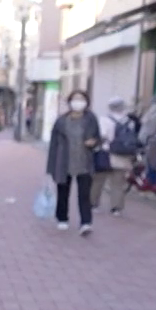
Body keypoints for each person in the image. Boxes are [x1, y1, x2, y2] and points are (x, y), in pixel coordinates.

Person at [47, 89, 103, 235]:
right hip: (63, 161)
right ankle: (62, 218)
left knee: (84, 194)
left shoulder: (91, 119)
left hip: (84, 161)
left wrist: (94, 142)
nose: (78, 102)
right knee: (63, 192)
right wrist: (50, 166)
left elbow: (98, 138)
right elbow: (53, 144)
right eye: (75, 99)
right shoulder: (61, 121)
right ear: (70, 102)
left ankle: (85, 223)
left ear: (86, 102)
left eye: (81, 99)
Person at [92, 97, 138, 216]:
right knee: (118, 183)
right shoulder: (129, 121)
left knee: (98, 181)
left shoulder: (104, 120)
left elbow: (102, 135)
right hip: (122, 155)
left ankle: (94, 204)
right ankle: (116, 208)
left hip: (105, 153)